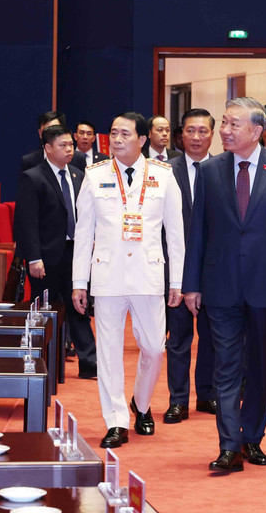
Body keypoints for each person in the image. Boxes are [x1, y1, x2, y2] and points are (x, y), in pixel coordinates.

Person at [183, 97, 266, 472]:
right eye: (224, 123)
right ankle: (229, 446)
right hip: (219, 284)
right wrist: (191, 284)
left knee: (260, 365)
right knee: (226, 365)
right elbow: (198, 234)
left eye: (233, 124)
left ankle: (251, 437)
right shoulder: (209, 171)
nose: (224, 130)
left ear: (256, 131)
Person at [71, 112, 185, 449]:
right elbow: (83, 233)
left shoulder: (164, 177)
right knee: (108, 351)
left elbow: (175, 234)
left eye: (125, 134)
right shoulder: (94, 176)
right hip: (107, 274)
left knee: (153, 347)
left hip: (149, 274)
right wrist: (80, 281)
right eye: (113, 133)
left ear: (143, 139)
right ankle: (116, 420)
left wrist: (176, 280)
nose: (117, 140)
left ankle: (141, 403)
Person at [14, 125, 97, 379]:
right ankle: (42, 360)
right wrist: (34, 257)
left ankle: (90, 362)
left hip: (75, 252)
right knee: (45, 310)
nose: (69, 149)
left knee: (79, 306)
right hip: (46, 257)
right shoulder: (33, 177)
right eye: (63, 145)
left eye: (70, 145)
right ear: (48, 148)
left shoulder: (77, 175)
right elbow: (27, 222)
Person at [163, 108, 217, 424]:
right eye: (190, 131)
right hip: (175, 269)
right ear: (181, 134)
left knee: (211, 337)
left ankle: (206, 395)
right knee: (179, 338)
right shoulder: (164, 171)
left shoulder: (224, 170)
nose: (196, 137)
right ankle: (178, 400)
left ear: (212, 135)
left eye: (202, 131)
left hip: (212, 269)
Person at [20, 111, 87, 172]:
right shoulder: (30, 161)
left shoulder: (78, 158)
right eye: (47, 130)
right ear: (40, 133)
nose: (52, 134)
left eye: (56, 129)